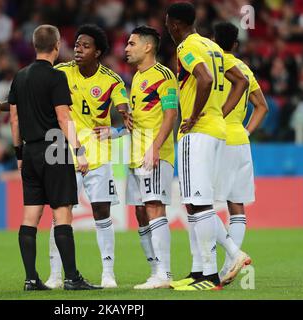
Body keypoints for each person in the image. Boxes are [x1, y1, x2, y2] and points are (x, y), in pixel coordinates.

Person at [0, 25, 101, 291]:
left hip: (30, 150)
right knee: (61, 212)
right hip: (55, 147)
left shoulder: (19, 77)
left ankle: (31, 278)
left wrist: (19, 155)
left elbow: (13, 118)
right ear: (57, 45)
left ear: (35, 45)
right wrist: (78, 151)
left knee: (30, 216)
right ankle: (71, 278)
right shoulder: (57, 77)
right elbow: (63, 117)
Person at [165, 2, 251, 291]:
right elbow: (239, 81)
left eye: (168, 24)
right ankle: (198, 270)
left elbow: (205, 78)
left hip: (198, 132)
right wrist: (219, 113)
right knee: (195, 203)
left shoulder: (186, 47)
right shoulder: (212, 46)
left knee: (198, 203)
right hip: (218, 131)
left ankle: (213, 272)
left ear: (175, 24)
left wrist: (194, 116)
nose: (167, 29)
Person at [45, 24, 132, 289]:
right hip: (60, 150)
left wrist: (115, 131)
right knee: (61, 213)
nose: (78, 50)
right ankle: (55, 275)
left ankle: (108, 273)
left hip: (97, 155)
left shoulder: (112, 80)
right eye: (77, 44)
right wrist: (3, 106)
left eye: (85, 46)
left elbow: (129, 120)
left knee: (101, 211)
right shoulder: (59, 72)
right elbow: (31, 94)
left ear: (98, 52)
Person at [213, 22, 268, 285]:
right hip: (239, 139)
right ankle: (226, 267)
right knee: (236, 206)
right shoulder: (244, 68)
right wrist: (246, 131)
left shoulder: (210, 62)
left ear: (213, 40)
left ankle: (211, 264)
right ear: (235, 45)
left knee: (201, 204)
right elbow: (262, 107)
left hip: (214, 136)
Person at [123, 26, 178, 289]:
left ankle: (164, 274)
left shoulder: (164, 75)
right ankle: (155, 270)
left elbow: (170, 115)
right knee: (141, 212)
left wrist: (155, 147)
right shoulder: (136, 77)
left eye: (131, 44)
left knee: (155, 207)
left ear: (147, 47)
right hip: (136, 155)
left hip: (154, 153)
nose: (126, 48)